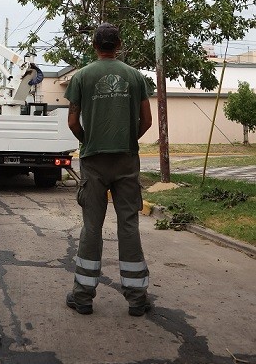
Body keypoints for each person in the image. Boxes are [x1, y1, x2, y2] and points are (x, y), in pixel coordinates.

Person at [64, 23, 153, 317]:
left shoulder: (81, 77)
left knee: (92, 226)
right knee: (128, 224)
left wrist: (88, 140)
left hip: (94, 162)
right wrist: (127, 139)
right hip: (126, 160)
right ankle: (137, 299)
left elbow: (73, 122)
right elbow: (147, 121)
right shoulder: (135, 76)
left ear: (94, 45)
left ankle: (83, 297)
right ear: (119, 44)